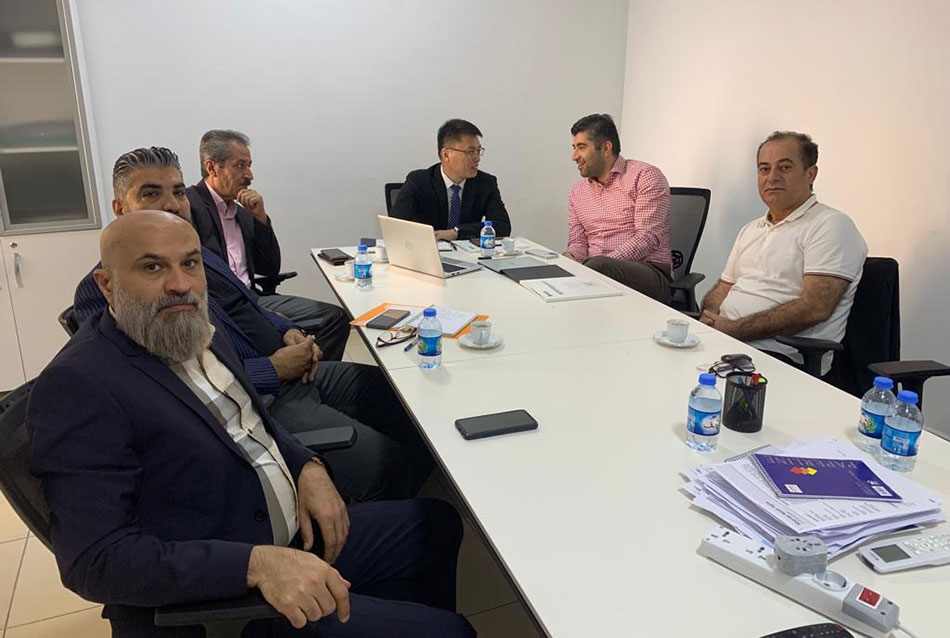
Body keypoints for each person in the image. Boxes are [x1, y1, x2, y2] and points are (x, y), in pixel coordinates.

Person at [30, 211, 474, 638]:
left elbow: (254, 421)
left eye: (190, 263)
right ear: (107, 285)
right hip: (233, 584)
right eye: (152, 267)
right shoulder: (80, 384)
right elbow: (94, 561)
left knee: (436, 524)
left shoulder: (196, 329)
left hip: (285, 533)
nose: (180, 284)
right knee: (453, 632)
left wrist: (307, 466)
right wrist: (256, 565)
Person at [73, 147, 431, 502]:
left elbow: (248, 303)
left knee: (404, 400)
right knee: (389, 464)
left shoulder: (196, 256)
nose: (171, 205)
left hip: (289, 376)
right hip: (255, 402)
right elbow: (173, 388)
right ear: (120, 208)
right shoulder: (104, 291)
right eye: (151, 194)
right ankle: (399, 516)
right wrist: (272, 369)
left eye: (178, 192)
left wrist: (286, 330)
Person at [700, 131, 868, 374]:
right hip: (727, 344)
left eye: (785, 167)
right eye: (764, 169)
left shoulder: (830, 225)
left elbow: (815, 307)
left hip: (781, 357)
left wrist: (735, 330)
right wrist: (709, 318)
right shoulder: (750, 229)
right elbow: (723, 288)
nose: (772, 177)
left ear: (810, 174)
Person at [187, 128, 349, 358]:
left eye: (249, 165)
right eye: (240, 165)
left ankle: (313, 373)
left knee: (334, 319)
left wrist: (260, 218)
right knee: (276, 336)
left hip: (254, 297)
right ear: (212, 167)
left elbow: (270, 268)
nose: (250, 175)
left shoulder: (243, 213)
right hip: (224, 306)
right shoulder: (190, 206)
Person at [566, 113, 673, 304]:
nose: (574, 157)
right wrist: (569, 260)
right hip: (594, 269)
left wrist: (596, 266)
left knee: (599, 266)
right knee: (558, 267)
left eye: (581, 147)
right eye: (574, 148)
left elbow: (647, 238)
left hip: (648, 272)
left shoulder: (645, 176)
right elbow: (578, 241)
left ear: (606, 148)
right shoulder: (577, 192)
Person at [390, 118, 511, 241]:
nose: (477, 158)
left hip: (468, 252)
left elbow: (502, 226)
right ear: (446, 155)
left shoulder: (486, 183)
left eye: (478, 151)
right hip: (429, 248)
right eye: (470, 152)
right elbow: (396, 225)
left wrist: (456, 232)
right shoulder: (419, 181)